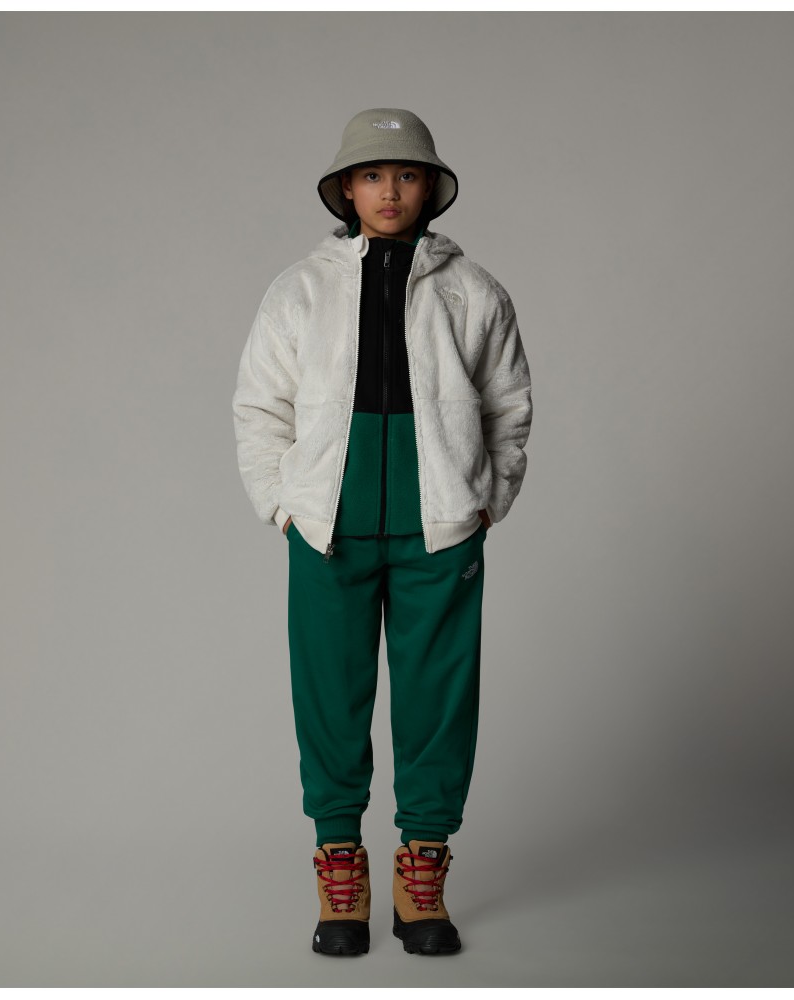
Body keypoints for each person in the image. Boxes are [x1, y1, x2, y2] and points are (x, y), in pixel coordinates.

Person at [232, 108, 532, 957]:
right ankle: (340, 868)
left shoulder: (474, 291)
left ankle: (421, 872)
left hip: (439, 526)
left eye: (405, 174)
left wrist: (485, 500)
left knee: (438, 699)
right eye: (371, 175)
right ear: (345, 189)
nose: (389, 190)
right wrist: (284, 506)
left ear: (430, 187)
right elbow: (259, 407)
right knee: (330, 699)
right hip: (327, 525)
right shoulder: (298, 290)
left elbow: (508, 406)